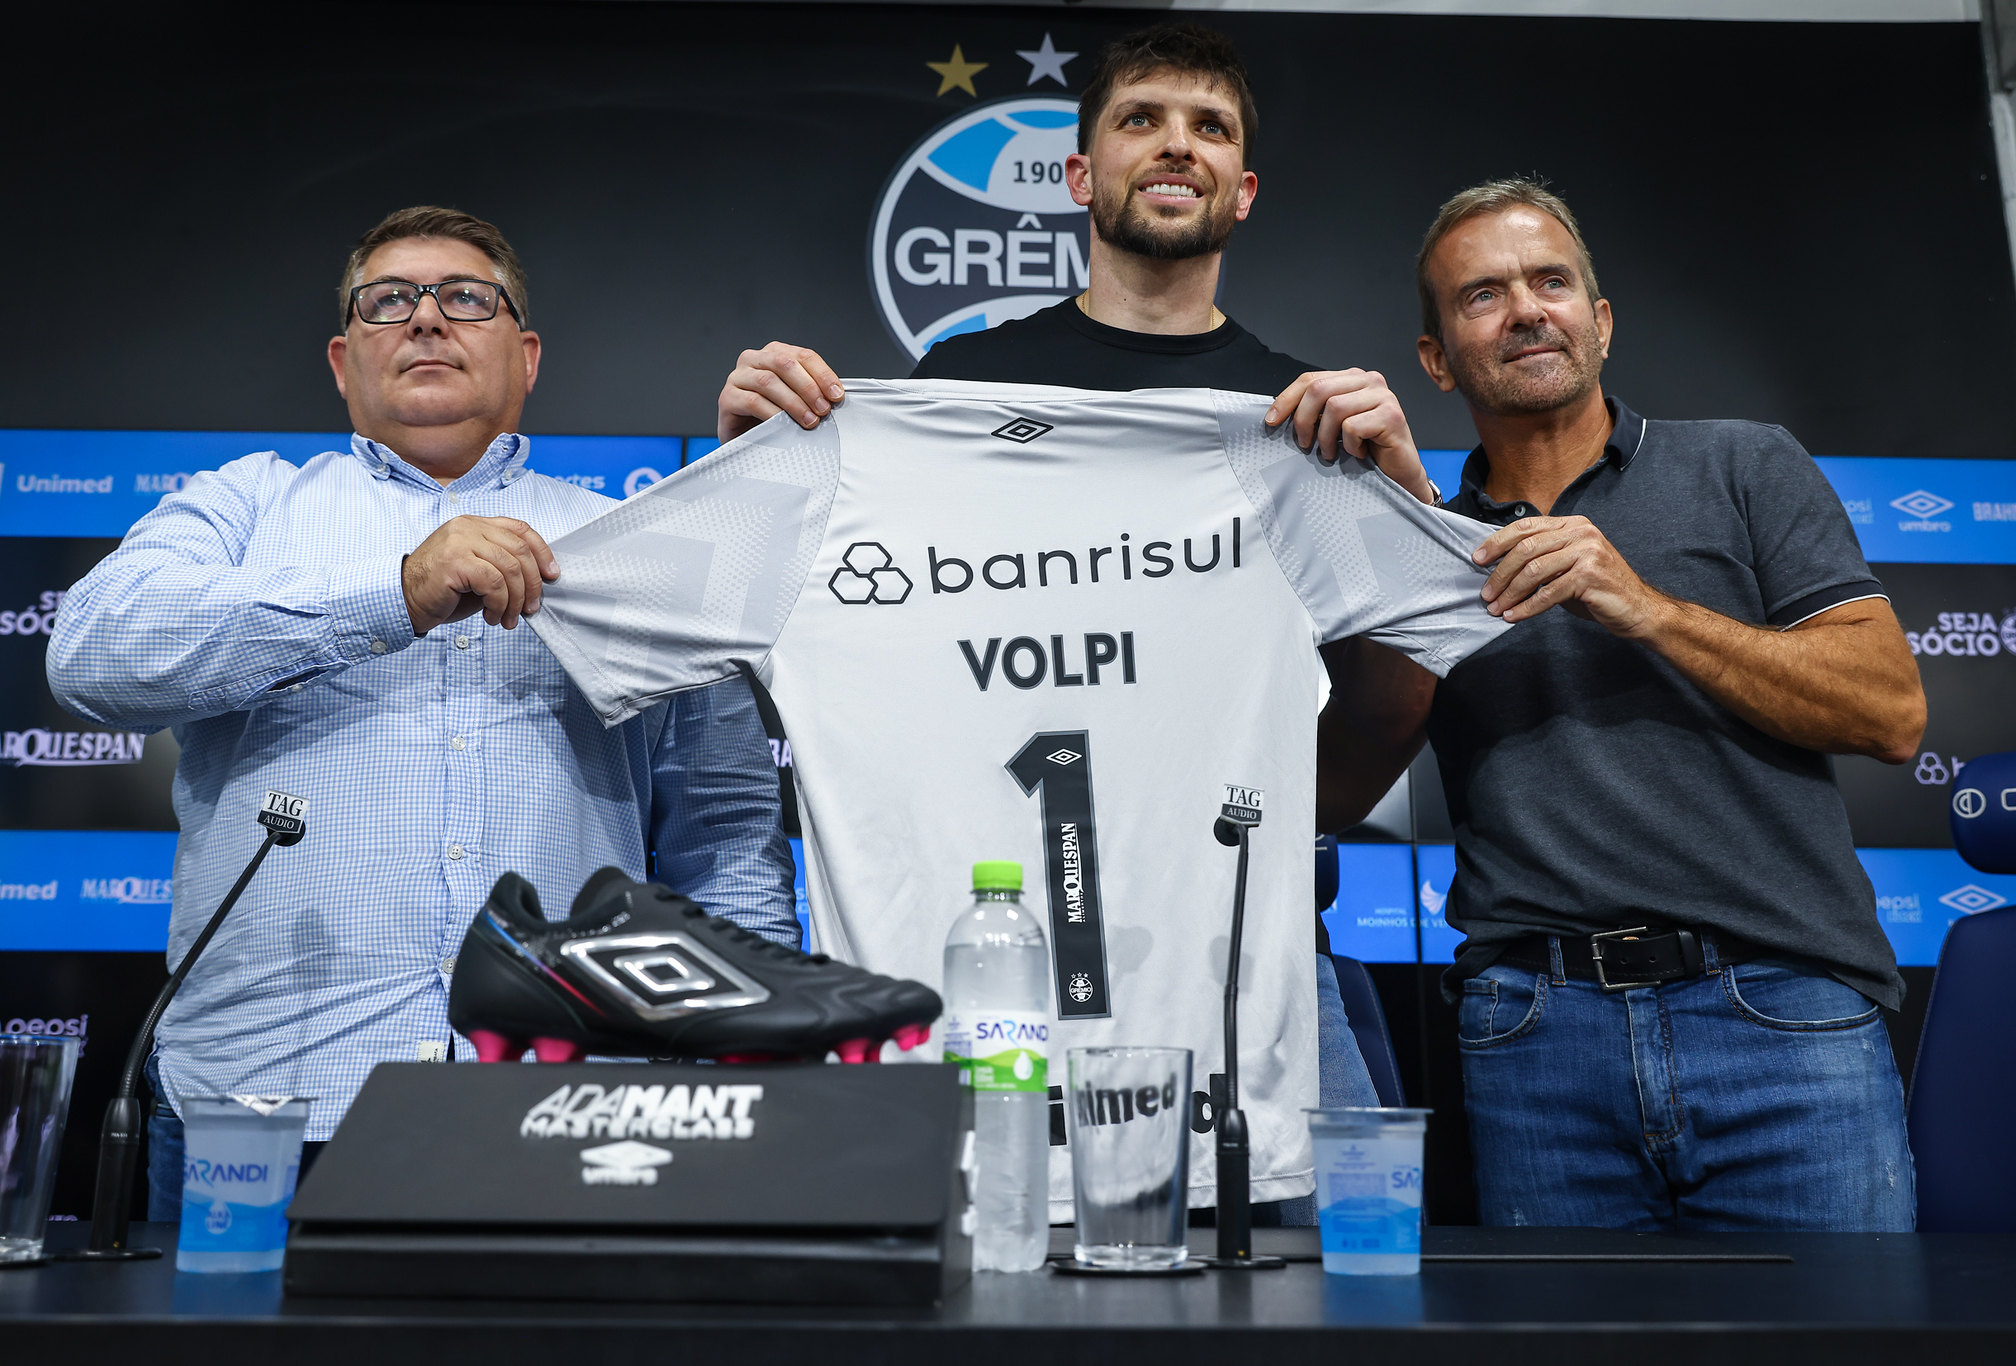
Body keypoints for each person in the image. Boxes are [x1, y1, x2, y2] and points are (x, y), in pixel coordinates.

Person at [715, 22, 1436, 1219]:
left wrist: (1400, 501)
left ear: (1241, 191)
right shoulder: (943, 398)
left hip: (1241, 987)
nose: (1175, 145)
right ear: (1077, 173)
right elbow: (805, 660)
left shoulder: (1301, 424)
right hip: (979, 973)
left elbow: (1391, 711)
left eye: (1209, 128)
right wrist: (750, 483)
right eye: (1139, 119)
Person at [47, 206, 795, 1218]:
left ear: (524, 356)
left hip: (565, 1098)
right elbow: (93, 654)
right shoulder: (245, 507)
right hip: (266, 1100)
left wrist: (754, 1069)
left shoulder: (636, 540)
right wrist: (391, 592)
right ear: (341, 359)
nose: (427, 319)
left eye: (467, 299)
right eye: (388, 301)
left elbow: (722, 833)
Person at [1320, 179, 1925, 1230]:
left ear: (1596, 320)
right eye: (1481, 295)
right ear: (1434, 357)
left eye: (1549, 282)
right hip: (1533, 1040)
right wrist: (1409, 537)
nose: (1523, 309)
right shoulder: (1424, 537)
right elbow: (1339, 784)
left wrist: (1644, 607)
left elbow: (1888, 713)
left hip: (1780, 1013)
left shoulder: (1742, 463)